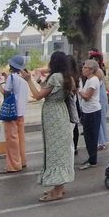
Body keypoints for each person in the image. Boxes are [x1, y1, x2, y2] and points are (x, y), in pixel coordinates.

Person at [28, 51, 76, 202]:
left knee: (55, 152)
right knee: (60, 150)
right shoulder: (67, 77)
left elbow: (38, 95)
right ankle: (58, 186)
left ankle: (58, 190)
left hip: (53, 115)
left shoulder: (55, 77)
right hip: (61, 112)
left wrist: (28, 80)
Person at [0, 55, 29, 174]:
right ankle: (22, 161)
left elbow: (6, 93)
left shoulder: (11, 77)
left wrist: (0, 83)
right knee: (20, 139)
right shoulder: (24, 79)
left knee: (11, 141)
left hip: (12, 112)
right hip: (21, 112)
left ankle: (13, 165)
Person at [76, 59, 103, 170]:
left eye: (85, 67)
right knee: (88, 136)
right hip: (87, 111)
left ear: (91, 70)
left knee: (91, 137)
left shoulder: (93, 80)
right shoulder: (88, 80)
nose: (83, 69)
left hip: (93, 111)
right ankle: (91, 158)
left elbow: (87, 96)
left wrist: (78, 90)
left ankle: (92, 160)